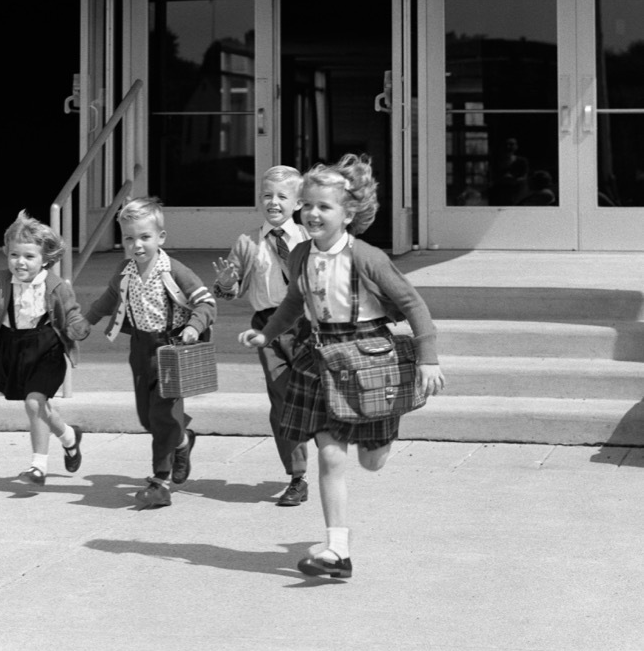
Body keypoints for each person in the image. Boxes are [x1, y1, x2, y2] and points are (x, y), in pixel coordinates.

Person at [239, 155, 445, 579]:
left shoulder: (368, 257)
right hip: (321, 359)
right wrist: (268, 333)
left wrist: (428, 359)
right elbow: (295, 301)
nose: (313, 213)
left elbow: (412, 304)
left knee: (372, 461)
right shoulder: (299, 255)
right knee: (330, 456)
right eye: (308, 205)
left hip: (369, 358)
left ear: (348, 213)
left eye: (324, 207)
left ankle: (382, 434)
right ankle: (337, 549)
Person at [85, 197, 215, 509]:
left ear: (161, 237)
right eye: (129, 238)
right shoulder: (125, 270)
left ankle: (160, 482)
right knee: (148, 417)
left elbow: (206, 302)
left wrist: (194, 327)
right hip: (141, 348)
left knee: (162, 414)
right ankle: (182, 440)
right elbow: (109, 298)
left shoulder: (174, 271)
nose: (137, 245)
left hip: (171, 349)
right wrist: (85, 321)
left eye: (144, 237)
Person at [0, 210, 90, 486]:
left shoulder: (55, 286)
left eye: (29, 256)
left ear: (45, 259)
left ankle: (37, 467)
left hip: (47, 348)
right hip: (13, 348)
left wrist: (78, 327)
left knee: (34, 402)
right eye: (15, 255)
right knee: (39, 406)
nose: (21, 262)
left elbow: (73, 313)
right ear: (6, 253)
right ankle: (69, 436)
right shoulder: (0, 281)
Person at [212, 165, 312, 506]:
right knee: (283, 399)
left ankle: (320, 427)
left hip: (307, 324)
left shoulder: (308, 238)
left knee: (310, 392)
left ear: (298, 203)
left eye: (283, 196)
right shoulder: (247, 243)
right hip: (267, 327)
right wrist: (226, 282)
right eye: (268, 195)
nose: (274, 202)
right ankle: (297, 476)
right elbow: (231, 288)